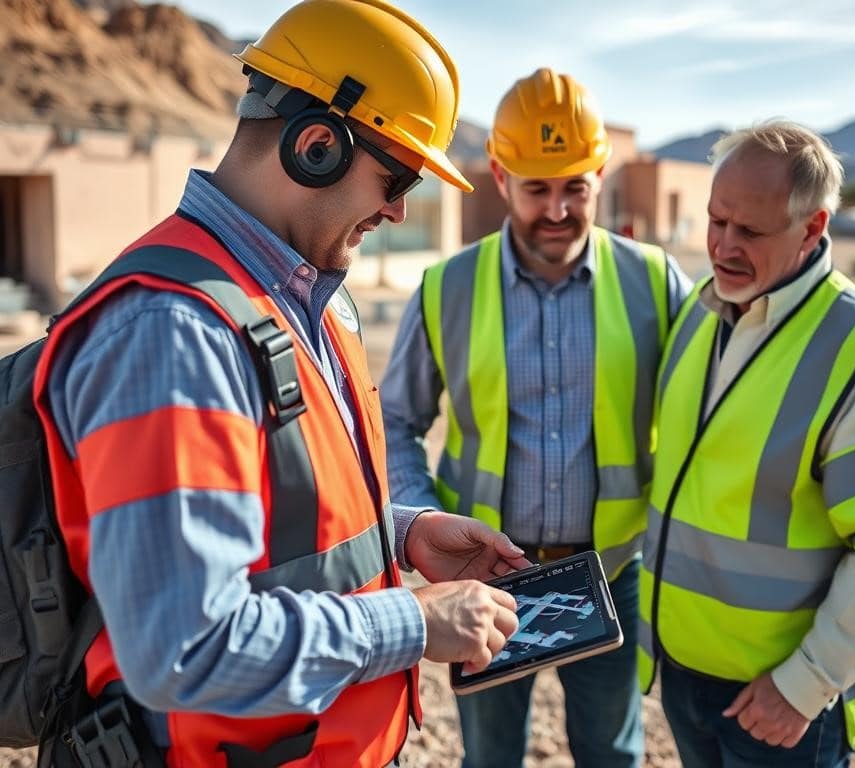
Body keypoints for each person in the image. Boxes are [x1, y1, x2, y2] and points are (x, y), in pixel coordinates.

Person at [32, 1, 531, 765]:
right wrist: (416, 623)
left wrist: (402, 535)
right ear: (318, 145)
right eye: (394, 176)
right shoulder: (173, 333)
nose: (398, 210)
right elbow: (184, 646)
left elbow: (277, 504)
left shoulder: (306, 302)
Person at [380, 67, 692, 768]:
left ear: (601, 175)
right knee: (490, 758)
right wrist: (426, 523)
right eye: (537, 189)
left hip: (610, 572)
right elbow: (396, 420)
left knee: (612, 753)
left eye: (574, 187)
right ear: (500, 177)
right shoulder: (446, 288)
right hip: (486, 581)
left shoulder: (655, 281)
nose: (557, 210)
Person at [639, 120, 855, 767]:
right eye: (716, 220)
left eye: (748, 231)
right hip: (684, 675)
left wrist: (803, 685)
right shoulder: (702, 309)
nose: (722, 245)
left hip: (778, 706)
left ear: (812, 227)